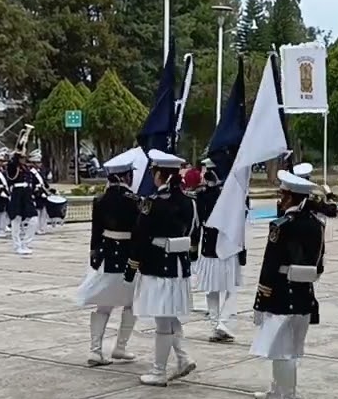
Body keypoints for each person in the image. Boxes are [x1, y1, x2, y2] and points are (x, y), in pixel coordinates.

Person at [250, 170, 326, 399]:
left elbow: (269, 266)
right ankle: (277, 393)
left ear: (292, 197)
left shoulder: (281, 226)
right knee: (287, 349)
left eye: (283, 193)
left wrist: (260, 301)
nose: (280, 198)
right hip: (304, 295)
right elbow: (319, 265)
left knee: (283, 352)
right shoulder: (317, 225)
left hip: (281, 295)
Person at [127, 149, 197, 386]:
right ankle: (183, 357)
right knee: (169, 315)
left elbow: (140, 236)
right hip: (179, 267)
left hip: (157, 266)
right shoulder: (189, 202)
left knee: (162, 322)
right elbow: (193, 233)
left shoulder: (153, 203)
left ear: (159, 175)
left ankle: (159, 371)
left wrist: (132, 266)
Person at [78, 152, 141, 366]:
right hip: (127, 259)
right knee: (132, 305)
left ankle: (95, 351)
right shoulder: (135, 201)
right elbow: (139, 233)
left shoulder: (100, 200)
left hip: (105, 257)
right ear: (125, 177)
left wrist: (93, 258)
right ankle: (120, 348)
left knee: (103, 306)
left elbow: (95, 233)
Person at [192, 158, 243, 342]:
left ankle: (216, 324)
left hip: (209, 246)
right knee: (229, 289)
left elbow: (196, 223)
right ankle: (221, 322)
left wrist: (193, 248)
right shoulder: (230, 194)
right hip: (227, 246)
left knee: (211, 290)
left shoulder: (201, 195)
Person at [6, 151, 39, 255]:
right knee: (16, 220)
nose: (24, 159)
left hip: (26, 195)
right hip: (17, 194)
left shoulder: (26, 168)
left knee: (34, 219)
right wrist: (17, 152)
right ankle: (17, 245)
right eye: (21, 158)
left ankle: (26, 242)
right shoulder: (13, 167)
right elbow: (11, 166)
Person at [29, 150, 53, 234]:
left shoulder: (39, 172)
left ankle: (42, 227)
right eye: (38, 162)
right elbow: (31, 185)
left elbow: (44, 183)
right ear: (33, 163)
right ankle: (36, 228)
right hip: (36, 195)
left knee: (44, 212)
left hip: (42, 194)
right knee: (38, 212)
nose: (40, 164)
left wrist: (49, 189)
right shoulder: (31, 173)